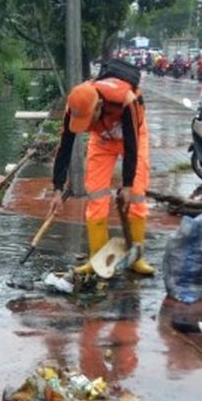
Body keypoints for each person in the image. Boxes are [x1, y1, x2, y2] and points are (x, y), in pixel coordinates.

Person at [48, 77, 155, 277]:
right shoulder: (75, 106)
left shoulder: (126, 100)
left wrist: (128, 185)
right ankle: (97, 259)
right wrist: (57, 188)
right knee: (96, 195)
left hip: (133, 138)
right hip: (102, 141)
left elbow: (132, 146)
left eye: (88, 120)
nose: (86, 126)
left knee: (137, 195)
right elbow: (65, 147)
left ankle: (136, 258)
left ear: (98, 106)